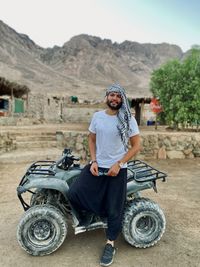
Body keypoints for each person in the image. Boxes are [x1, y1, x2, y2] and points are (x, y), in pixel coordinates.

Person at [68, 84, 140, 266]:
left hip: (117, 170)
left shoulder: (128, 119)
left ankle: (110, 243)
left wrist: (119, 163)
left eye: (118, 96)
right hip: (97, 166)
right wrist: (93, 160)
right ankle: (93, 217)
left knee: (115, 208)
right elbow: (91, 139)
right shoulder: (97, 117)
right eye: (112, 95)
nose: (114, 98)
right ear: (106, 97)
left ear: (122, 99)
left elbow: (136, 146)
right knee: (74, 192)